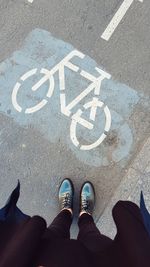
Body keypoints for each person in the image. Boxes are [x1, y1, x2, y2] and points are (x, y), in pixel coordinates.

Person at [0, 178, 150, 267]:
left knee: (55, 231)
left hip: (42, 256)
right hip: (100, 261)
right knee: (92, 236)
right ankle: (84, 216)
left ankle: (66, 212)